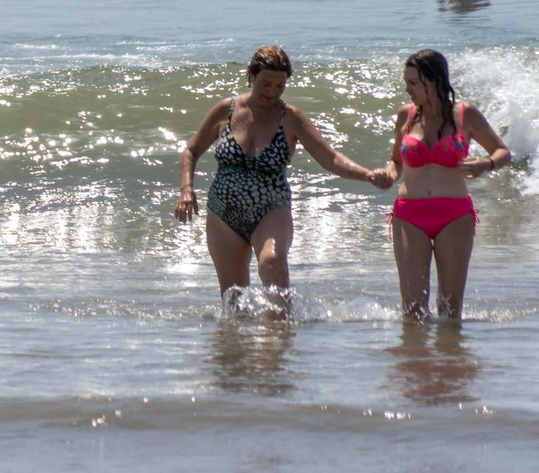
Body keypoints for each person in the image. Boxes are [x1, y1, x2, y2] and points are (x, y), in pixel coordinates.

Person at [175, 46, 378, 312]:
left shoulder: (290, 118)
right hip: (223, 213)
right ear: (251, 77)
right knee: (234, 301)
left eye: (280, 85)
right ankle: (239, 338)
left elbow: (330, 158)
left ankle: (279, 333)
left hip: (271, 209)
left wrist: (367, 175)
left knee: (272, 263)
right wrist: (186, 190)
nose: (272, 92)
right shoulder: (226, 110)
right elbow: (190, 151)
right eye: (266, 84)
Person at [373, 49, 509, 318]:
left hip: (455, 216)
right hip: (409, 215)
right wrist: (388, 174)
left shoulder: (466, 114)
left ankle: (450, 347)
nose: (407, 89)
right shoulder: (405, 115)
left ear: (434, 80)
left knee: (450, 311)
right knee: (412, 311)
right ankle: (416, 348)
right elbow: (396, 162)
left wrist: (485, 164)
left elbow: (502, 152)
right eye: (406, 82)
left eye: (413, 83)